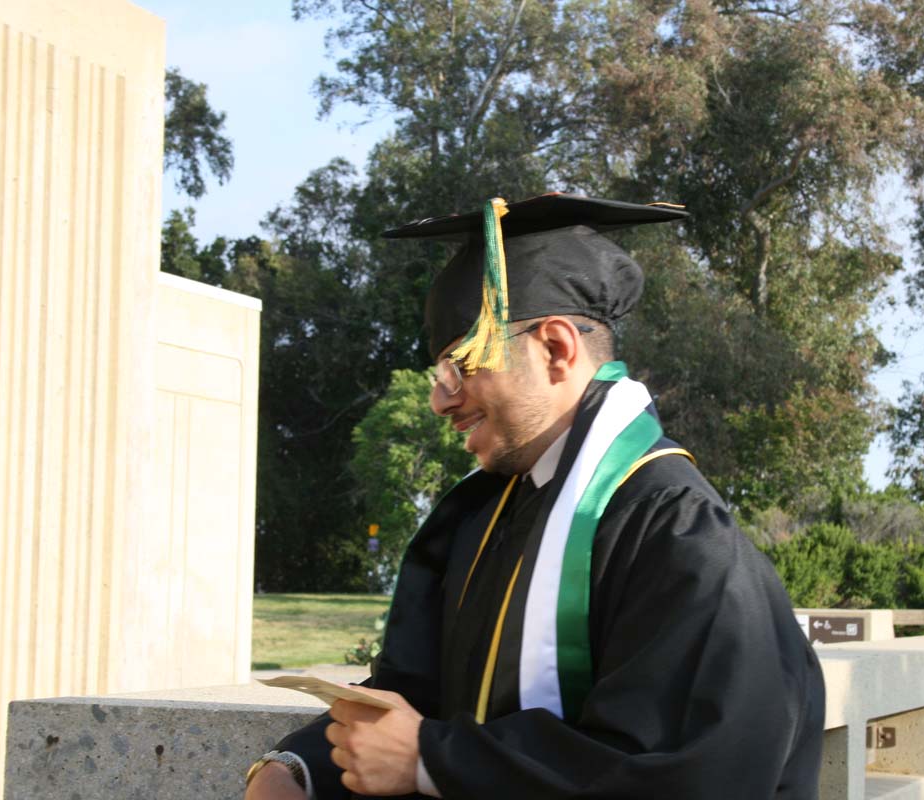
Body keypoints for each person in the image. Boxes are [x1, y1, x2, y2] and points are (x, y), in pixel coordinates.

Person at [244, 194, 825, 800]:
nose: (441, 400)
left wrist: (432, 762)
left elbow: (694, 771)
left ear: (554, 348)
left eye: (459, 368)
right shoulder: (483, 517)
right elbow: (416, 698)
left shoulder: (679, 536)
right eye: (438, 377)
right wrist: (300, 768)